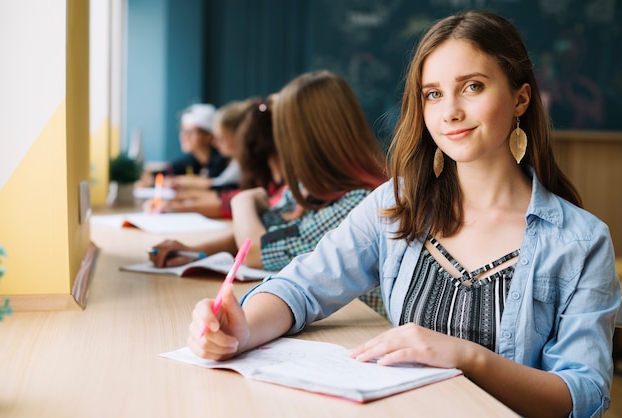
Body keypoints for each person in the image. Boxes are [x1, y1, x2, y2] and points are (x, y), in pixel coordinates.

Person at [185, 10, 620, 418]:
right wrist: (241, 329)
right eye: (433, 94)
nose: (450, 111)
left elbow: (583, 395)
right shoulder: (395, 205)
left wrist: (467, 357)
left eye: (473, 86)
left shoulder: (582, 241)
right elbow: (302, 286)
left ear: (520, 98)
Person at [149, 70, 387, 279]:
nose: (280, 145)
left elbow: (255, 252)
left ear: (308, 138)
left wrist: (242, 200)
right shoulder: (312, 186)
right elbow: (263, 232)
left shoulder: (359, 202)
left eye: (283, 133)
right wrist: (192, 251)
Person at [144, 99, 256, 218]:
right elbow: (221, 192)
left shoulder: (225, 160)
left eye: (190, 132)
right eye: (183, 131)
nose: (216, 143)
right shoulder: (194, 159)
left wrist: (177, 204)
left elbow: (222, 191)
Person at [137, 103, 230, 188]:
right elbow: (161, 174)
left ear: (209, 135)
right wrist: (149, 179)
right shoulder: (192, 160)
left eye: (191, 132)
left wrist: (180, 181)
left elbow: (216, 184)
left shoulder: (224, 158)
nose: (184, 136)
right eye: (183, 130)